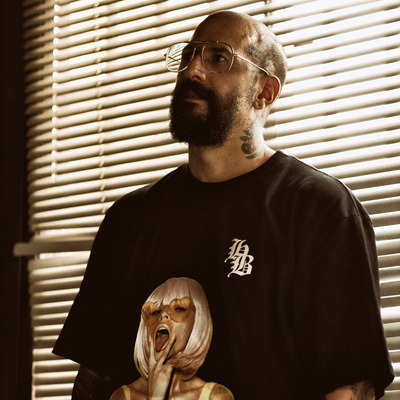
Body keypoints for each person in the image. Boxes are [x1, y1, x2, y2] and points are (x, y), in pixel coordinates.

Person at [53, 10, 394, 400]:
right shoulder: (127, 219)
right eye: (187, 57)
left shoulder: (320, 210)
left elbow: (350, 386)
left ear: (264, 92)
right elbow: (93, 378)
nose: (191, 71)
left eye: (217, 57)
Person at [110, 277, 234, 399]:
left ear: (198, 322)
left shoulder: (216, 396)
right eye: (155, 312)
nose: (163, 315)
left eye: (179, 309)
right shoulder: (121, 396)